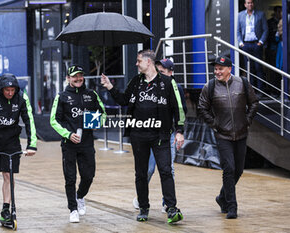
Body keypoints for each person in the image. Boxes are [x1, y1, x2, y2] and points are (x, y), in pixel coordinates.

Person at [101, 50, 185, 224]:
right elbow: (124, 100)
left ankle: (171, 208)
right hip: (138, 134)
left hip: (161, 135)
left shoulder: (168, 82)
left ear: (148, 62)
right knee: (141, 173)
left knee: (166, 171)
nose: (136, 64)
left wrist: (179, 131)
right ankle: (144, 208)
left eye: (139, 61)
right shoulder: (136, 82)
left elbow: (178, 108)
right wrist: (110, 86)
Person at [198, 55, 258, 219]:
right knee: (229, 169)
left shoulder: (242, 83)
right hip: (222, 135)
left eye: (220, 69)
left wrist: (247, 120)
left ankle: (222, 197)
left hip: (241, 133)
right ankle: (231, 206)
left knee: (238, 170)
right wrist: (215, 124)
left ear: (229, 69)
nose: (217, 72)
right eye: (215, 69)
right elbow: (202, 108)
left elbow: (254, 103)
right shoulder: (209, 87)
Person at [0, 73, 37, 223]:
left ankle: (5, 209)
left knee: (8, 175)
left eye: (13, 90)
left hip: (11, 141)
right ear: (1, 89)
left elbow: (29, 120)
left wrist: (32, 144)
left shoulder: (21, 97)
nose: (10, 93)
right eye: (7, 90)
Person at [50, 65, 106, 223]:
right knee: (70, 178)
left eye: (80, 75)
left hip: (87, 143)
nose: (78, 78)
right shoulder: (61, 96)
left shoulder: (91, 94)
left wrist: (97, 122)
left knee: (89, 176)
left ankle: (80, 196)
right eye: (74, 76)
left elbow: (103, 113)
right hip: (69, 143)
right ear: (68, 78)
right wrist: (68, 134)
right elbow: (54, 120)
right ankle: (73, 209)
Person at [132, 58, 187, 213]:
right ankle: (141, 198)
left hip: (167, 135)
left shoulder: (176, 88)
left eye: (162, 71)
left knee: (168, 169)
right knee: (148, 169)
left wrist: (179, 132)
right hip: (147, 134)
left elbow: (180, 111)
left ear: (171, 73)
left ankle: (168, 203)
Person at [237, 0, 268, 92]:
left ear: (253, 4)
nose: (250, 4)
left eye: (251, 3)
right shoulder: (240, 15)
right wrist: (240, 43)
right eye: (248, 3)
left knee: (258, 67)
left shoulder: (260, 14)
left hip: (256, 44)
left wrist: (261, 42)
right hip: (245, 45)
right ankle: (252, 90)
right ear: (245, 5)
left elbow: (265, 30)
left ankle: (260, 90)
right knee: (248, 68)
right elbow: (238, 30)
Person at [266, 6, 282, 95]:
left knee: (281, 70)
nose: (280, 14)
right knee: (273, 71)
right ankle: (273, 90)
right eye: (279, 12)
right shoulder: (270, 22)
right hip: (272, 50)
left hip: (281, 50)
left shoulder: (285, 21)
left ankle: (281, 89)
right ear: (275, 12)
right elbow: (269, 36)